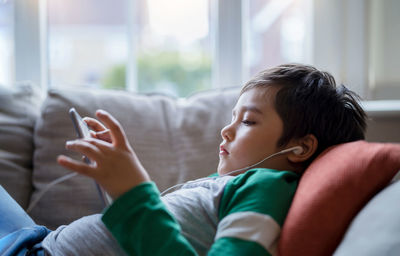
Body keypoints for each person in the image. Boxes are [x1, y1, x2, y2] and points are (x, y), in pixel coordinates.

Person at [0, 64, 366, 255]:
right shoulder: (231, 184)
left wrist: (134, 191)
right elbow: (141, 237)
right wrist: (116, 184)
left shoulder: (266, 188)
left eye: (249, 121)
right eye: (232, 117)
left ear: (299, 148)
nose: (226, 130)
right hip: (40, 240)